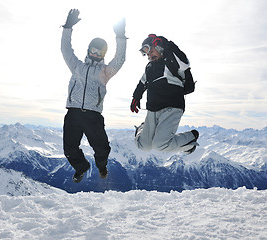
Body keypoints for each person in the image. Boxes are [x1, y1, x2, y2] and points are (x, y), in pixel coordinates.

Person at [61, 9, 127, 183]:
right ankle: (82, 167)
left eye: (99, 53)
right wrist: (68, 27)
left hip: (93, 115)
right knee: (69, 149)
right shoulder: (77, 66)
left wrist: (120, 36)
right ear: (89, 50)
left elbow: (119, 59)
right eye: (93, 50)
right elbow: (65, 49)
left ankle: (102, 166)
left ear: (103, 55)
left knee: (102, 148)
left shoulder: (104, 72)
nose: (95, 54)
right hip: (73, 113)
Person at [130, 34, 198, 154]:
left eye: (151, 50)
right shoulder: (149, 67)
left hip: (172, 107)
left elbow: (184, 62)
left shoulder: (171, 61)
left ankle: (191, 138)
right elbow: (141, 83)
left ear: (159, 48)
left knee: (160, 145)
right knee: (143, 146)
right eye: (147, 53)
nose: (150, 55)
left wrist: (166, 44)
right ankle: (141, 128)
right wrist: (136, 97)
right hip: (153, 109)